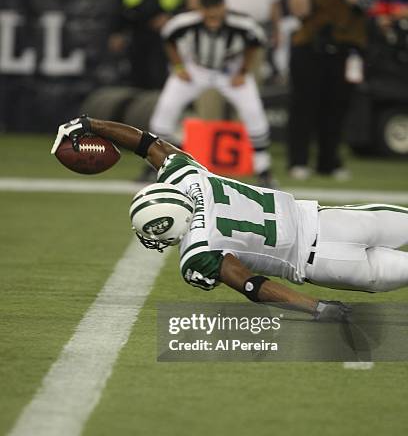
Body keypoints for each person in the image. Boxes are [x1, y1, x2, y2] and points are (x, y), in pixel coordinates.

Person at [51, 115, 408, 320]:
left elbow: (253, 286)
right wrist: (89, 123)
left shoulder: (198, 253)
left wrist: (316, 308)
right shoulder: (190, 179)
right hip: (329, 222)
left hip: (324, 263)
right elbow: (147, 143)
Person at [149, 0, 275, 186]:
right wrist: (179, 66)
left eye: (216, 6)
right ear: (200, 7)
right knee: (166, 109)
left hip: (229, 70)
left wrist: (243, 71)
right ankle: (155, 164)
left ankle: (263, 169)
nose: (212, 12)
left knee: (253, 112)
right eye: (207, 7)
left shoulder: (242, 24)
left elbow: (255, 43)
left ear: (224, 6)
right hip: (197, 69)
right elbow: (168, 39)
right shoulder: (184, 22)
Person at [287, 0, 371, 180]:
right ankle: (298, 161)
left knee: (335, 109)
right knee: (303, 108)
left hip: (343, 52)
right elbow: (300, 10)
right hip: (309, 50)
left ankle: (329, 162)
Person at [186, 0, 284, 119]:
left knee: (248, 100)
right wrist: (206, 26)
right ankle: (206, 144)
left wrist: (277, 29)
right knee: (211, 97)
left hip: (253, 34)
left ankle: (239, 148)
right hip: (218, 32)